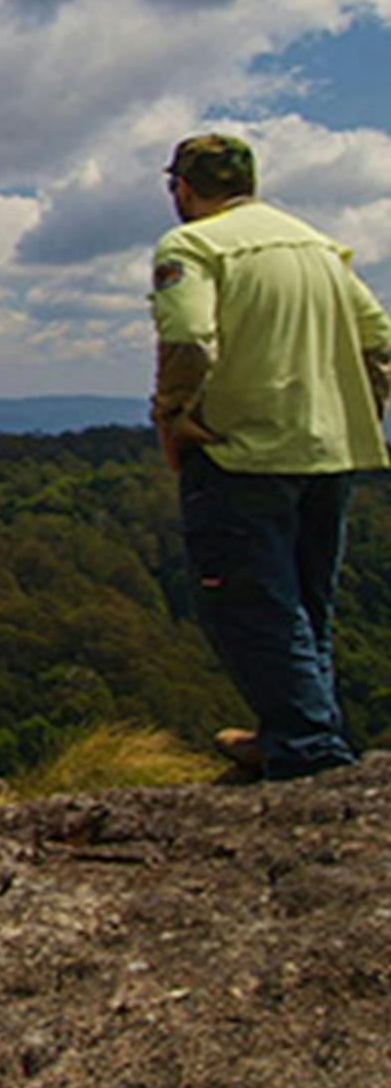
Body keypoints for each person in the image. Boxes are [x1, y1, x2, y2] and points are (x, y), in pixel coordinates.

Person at [149, 133, 391, 780]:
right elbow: (380, 339)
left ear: (184, 187)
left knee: (249, 606)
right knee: (305, 607)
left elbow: (189, 338)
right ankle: (293, 731)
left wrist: (174, 417)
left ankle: (308, 754)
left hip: (241, 456)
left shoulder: (192, 244)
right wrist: (362, 411)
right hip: (329, 452)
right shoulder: (316, 246)